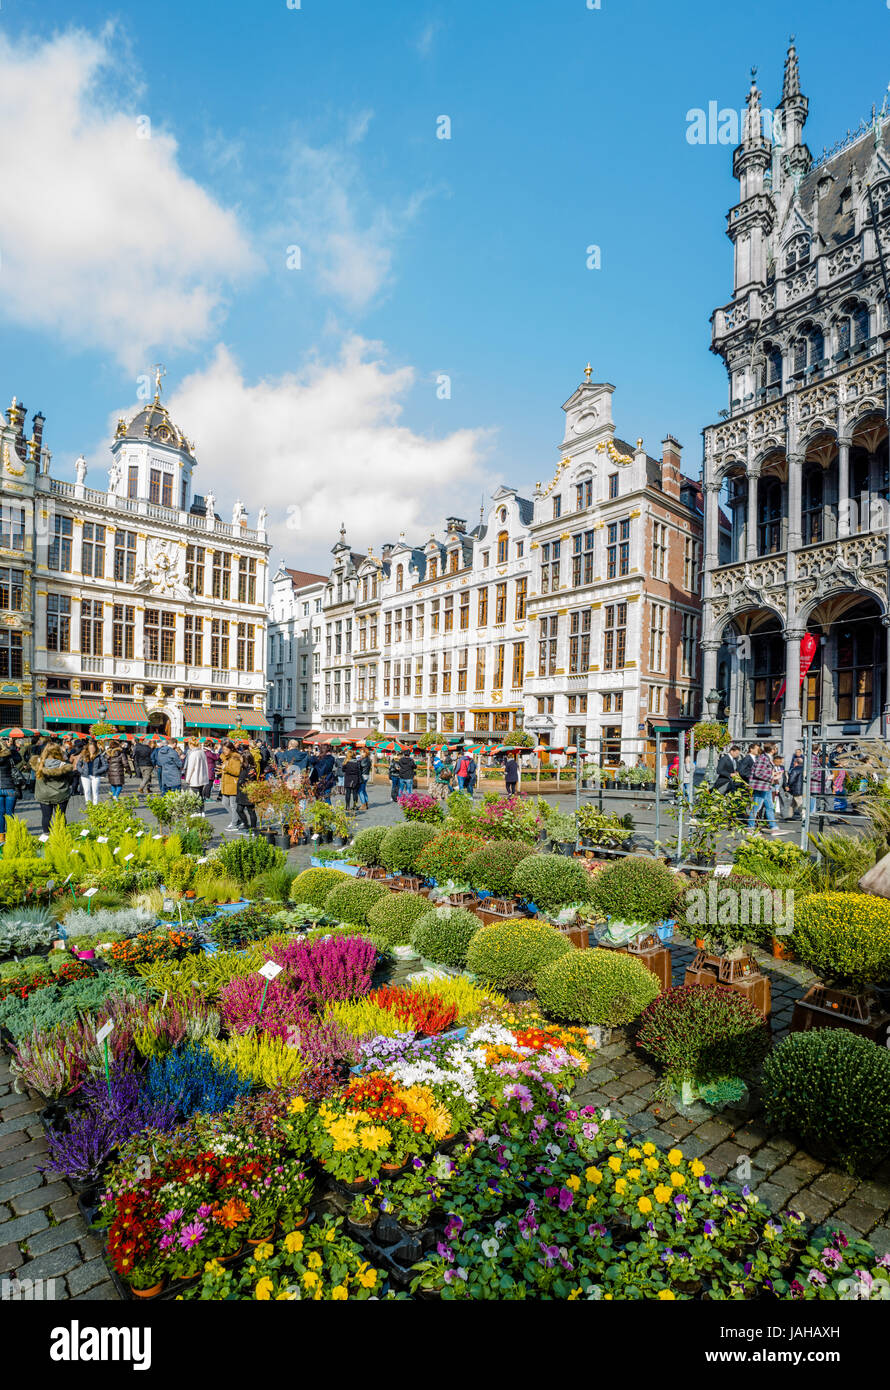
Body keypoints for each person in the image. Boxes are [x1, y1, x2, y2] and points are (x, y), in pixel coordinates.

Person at [30, 741, 74, 832]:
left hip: (44, 795)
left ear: (45, 751)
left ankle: (46, 837)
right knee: (60, 817)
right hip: (61, 794)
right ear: (58, 752)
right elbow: (70, 780)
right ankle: (61, 837)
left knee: (46, 817)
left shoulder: (38, 764)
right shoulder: (64, 765)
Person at [747, 742, 780, 833]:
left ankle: (773, 825)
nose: (776, 750)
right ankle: (750, 826)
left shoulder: (766, 758)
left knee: (769, 806)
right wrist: (772, 777)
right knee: (756, 806)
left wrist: (774, 775)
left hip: (766, 786)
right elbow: (758, 773)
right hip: (761, 786)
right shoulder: (763, 758)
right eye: (776, 748)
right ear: (772, 750)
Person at [219, 742, 243, 829]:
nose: (224, 751)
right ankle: (238, 819)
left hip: (233, 784)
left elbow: (237, 772)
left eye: (226, 749)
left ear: (231, 749)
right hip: (226, 784)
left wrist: (226, 768)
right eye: (223, 749)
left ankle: (234, 823)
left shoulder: (235, 758)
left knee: (233, 805)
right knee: (224, 803)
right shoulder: (227, 758)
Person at [76, 739, 107, 805]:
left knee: (95, 791)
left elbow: (105, 765)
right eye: (90, 748)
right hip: (85, 776)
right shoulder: (84, 755)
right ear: (88, 748)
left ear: (96, 748)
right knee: (87, 791)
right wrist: (82, 771)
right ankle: (89, 805)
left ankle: (95, 805)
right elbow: (78, 765)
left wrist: (98, 771)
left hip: (95, 776)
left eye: (93, 748)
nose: (92, 749)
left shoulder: (99, 756)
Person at [0, 739, 20, 832]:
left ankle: (1, 837)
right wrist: (11, 746)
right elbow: (19, 758)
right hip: (10, 787)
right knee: (10, 813)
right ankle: (11, 835)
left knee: (0, 813)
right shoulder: (10, 757)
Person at [236, 754, 259, 833]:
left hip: (248, 792)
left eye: (242, 759)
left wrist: (242, 782)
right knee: (239, 810)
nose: (240, 760)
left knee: (251, 811)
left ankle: (253, 828)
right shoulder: (244, 768)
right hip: (241, 792)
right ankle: (246, 824)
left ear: (246, 760)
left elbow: (251, 780)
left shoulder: (252, 769)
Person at [786, 748, 804, 818]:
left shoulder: (795, 770)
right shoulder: (804, 769)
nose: (793, 763)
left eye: (794, 762)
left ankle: (804, 816)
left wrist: (788, 785)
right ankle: (789, 815)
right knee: (792, 804)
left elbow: (791, 779)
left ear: (796, 763)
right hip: (801, 789)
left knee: (799, 804)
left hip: (796, 789)